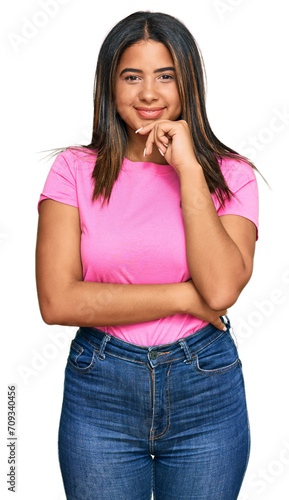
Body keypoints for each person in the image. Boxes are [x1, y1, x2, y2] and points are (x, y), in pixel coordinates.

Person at [35, 11, 260, 500]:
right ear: (109, 86)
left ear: (188, 85)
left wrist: (189, 170)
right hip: (101, 388)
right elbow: (58, 301)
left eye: (166, 76)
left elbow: (220, 289)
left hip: (206, 387)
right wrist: (185, 296)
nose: (149, 94)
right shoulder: (73, 171)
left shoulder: (231, 174)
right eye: (131, 76)